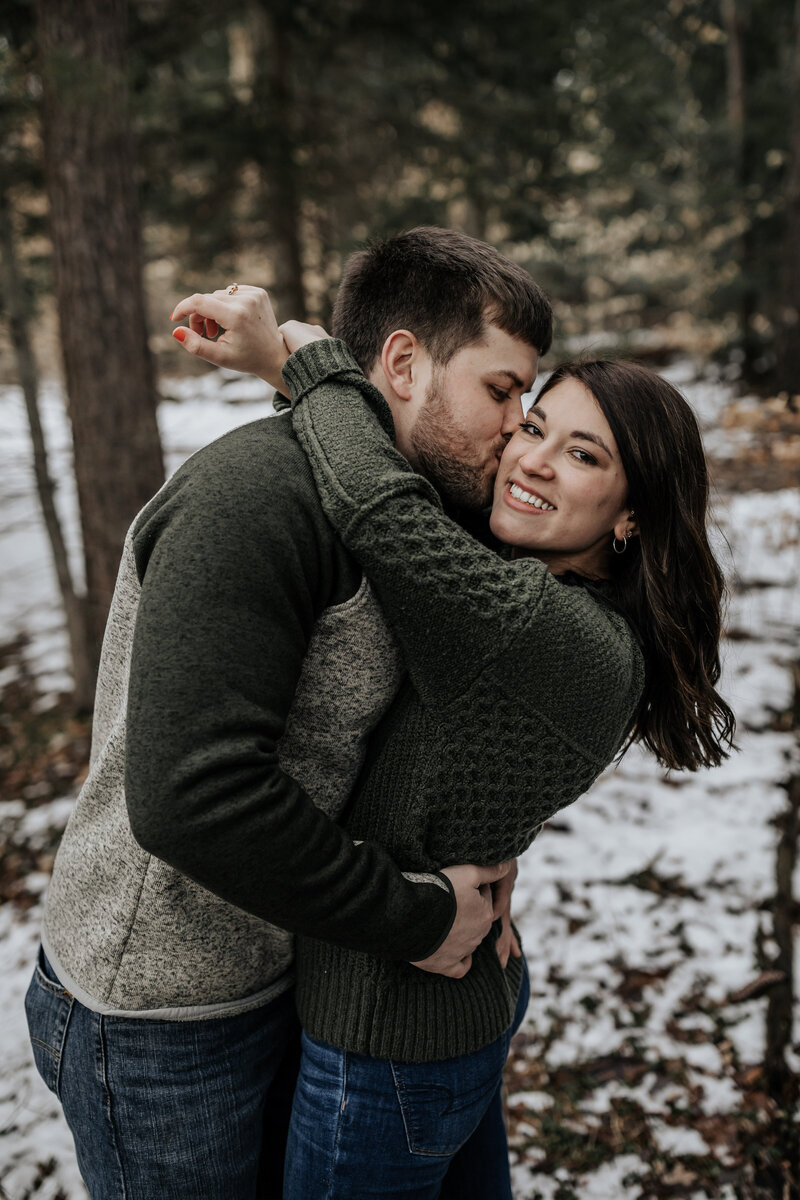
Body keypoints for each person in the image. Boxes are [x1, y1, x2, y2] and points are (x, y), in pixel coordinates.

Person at [24, 227, 554, 1199]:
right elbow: (194, 801)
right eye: (500, 389)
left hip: (285, 966)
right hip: (159, 1016)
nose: (518, 424)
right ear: (402, 363)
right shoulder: (256, 499)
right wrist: (417, 917)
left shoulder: (399, 506)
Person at [199, 297, 735, 1198]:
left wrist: (303, 361)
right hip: (447, 1006)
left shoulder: (542, 628)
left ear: (631, 517)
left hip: (388, 1040)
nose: (531, 460)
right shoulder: (557, 602)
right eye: (532, 426)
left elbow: (380, 508)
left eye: (584, 455)